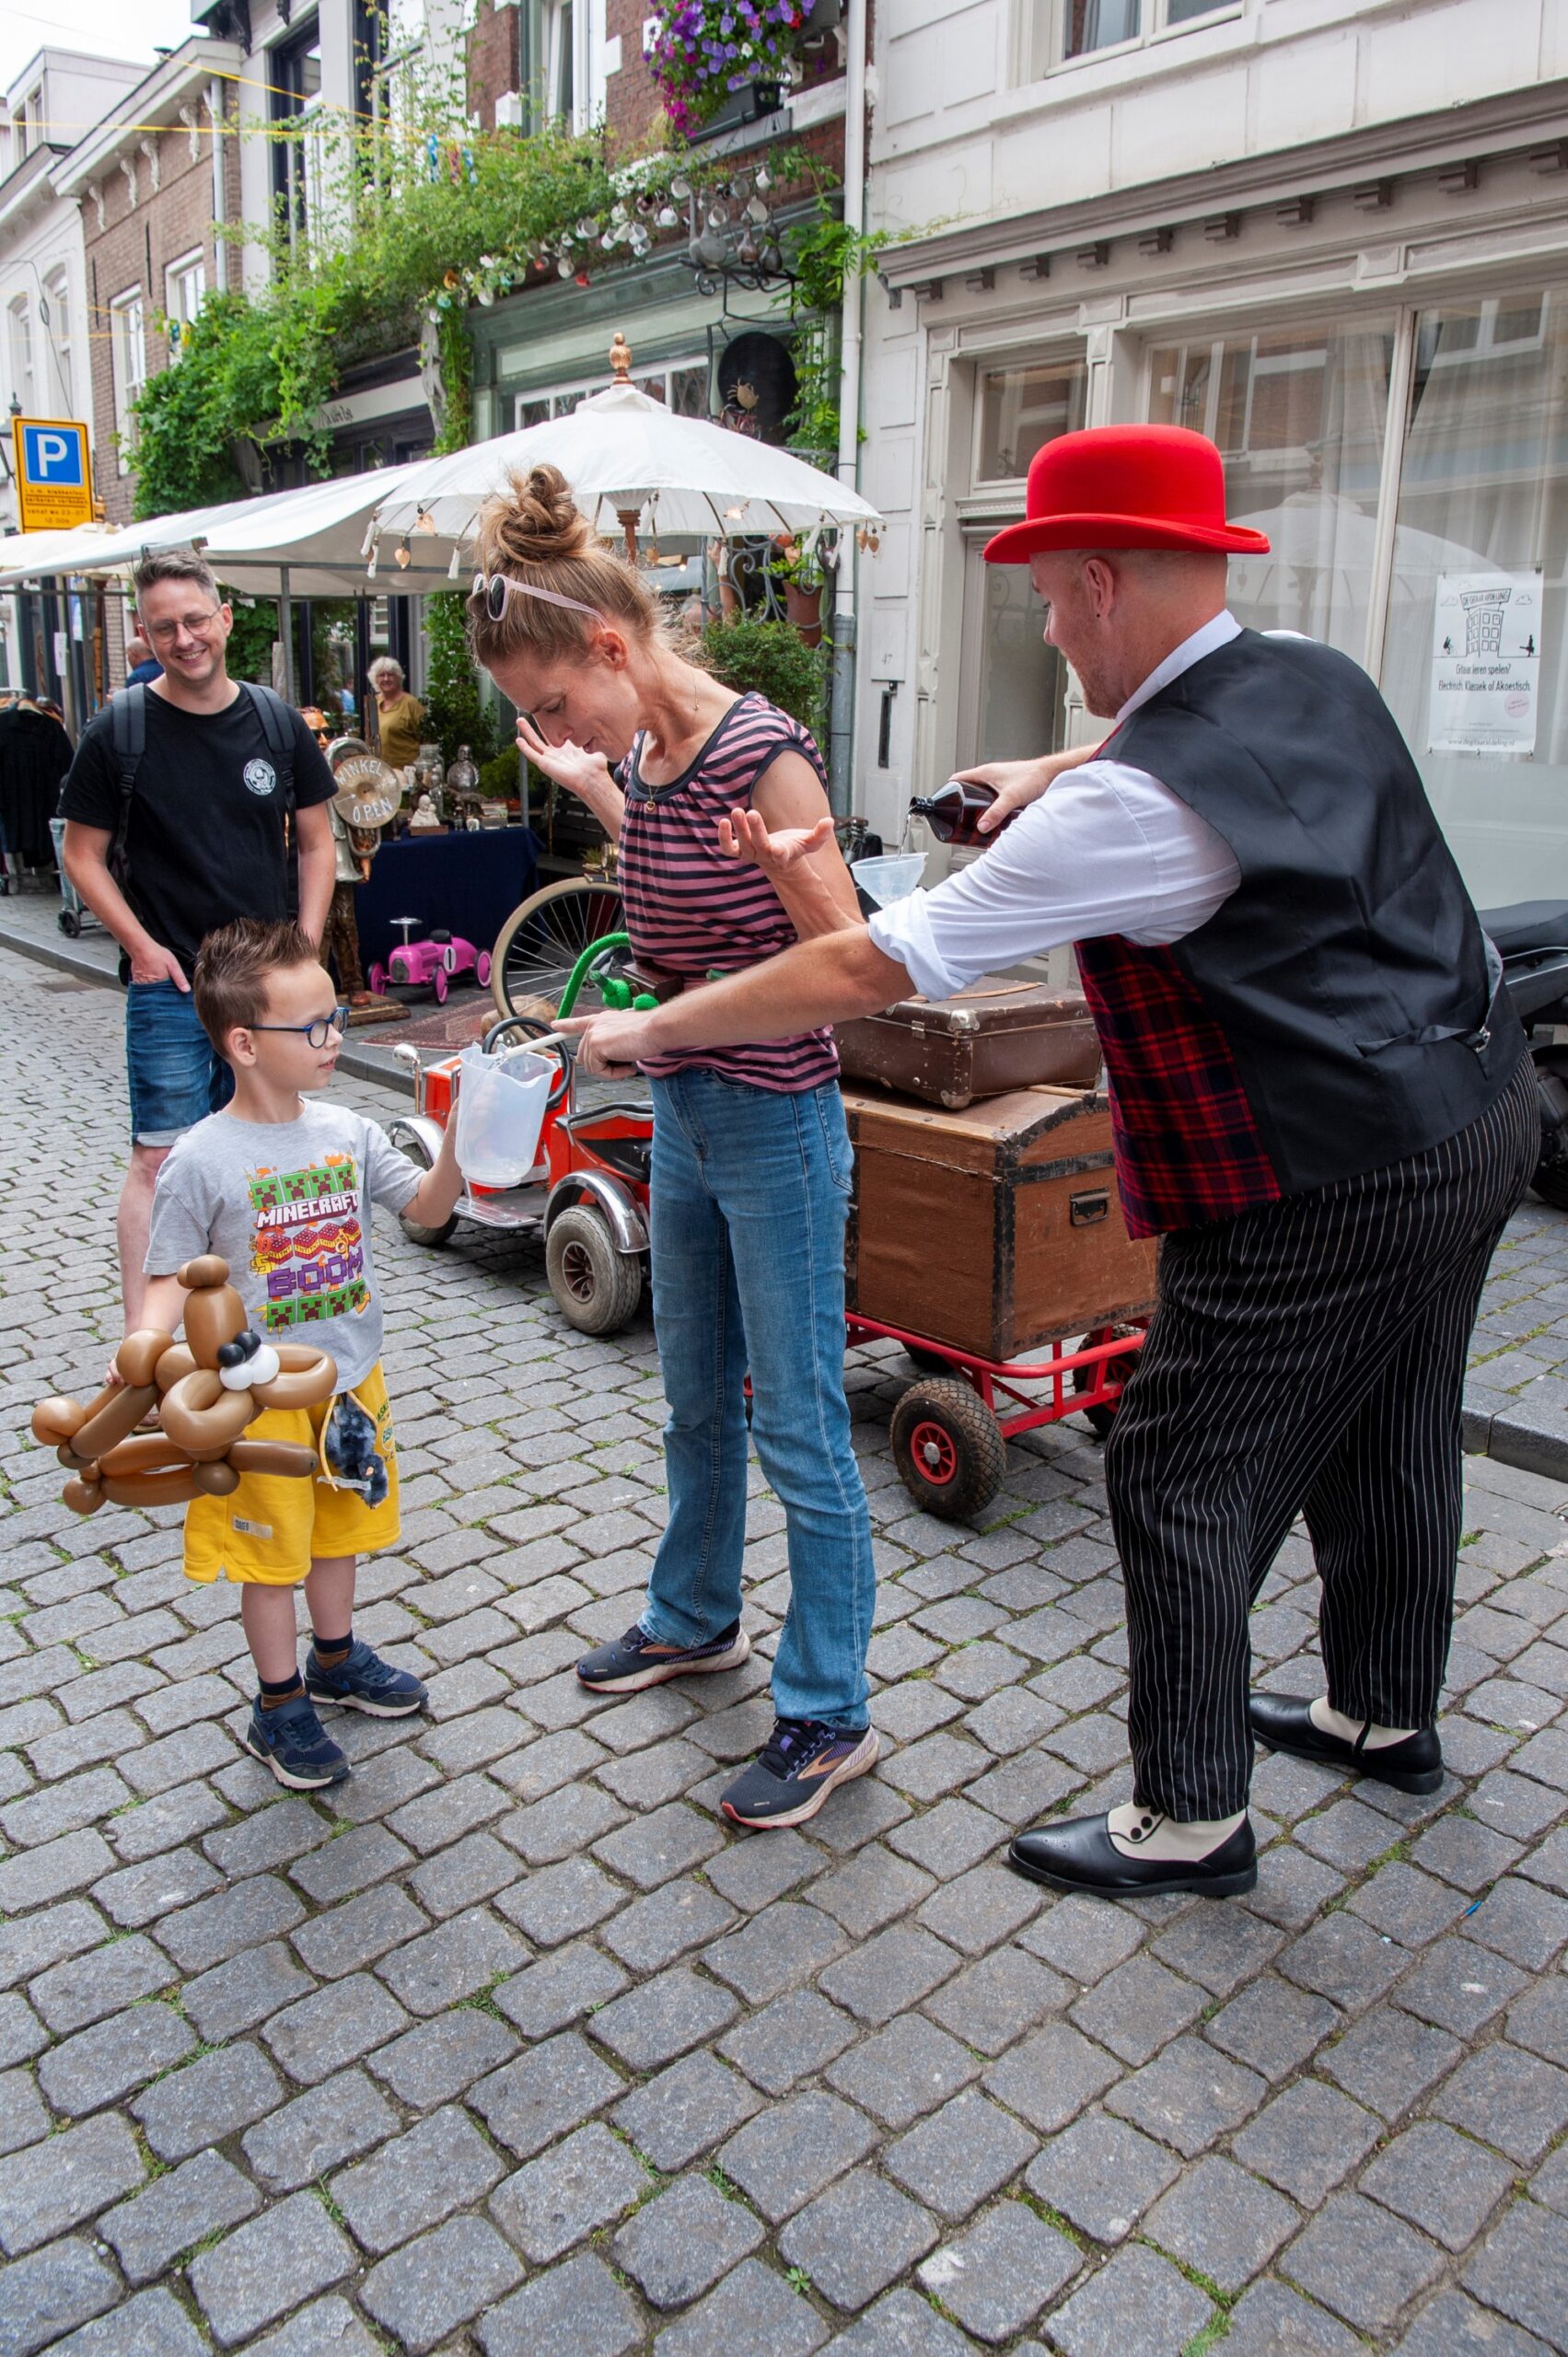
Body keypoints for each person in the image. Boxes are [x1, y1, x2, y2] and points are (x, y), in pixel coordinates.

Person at [563, 423, 1537, 1899]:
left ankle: (1187, 1815)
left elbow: (870, 967)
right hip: (1476, 1112)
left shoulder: (1125, 804)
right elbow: (1183, 749)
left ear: (1096, 582)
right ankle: (1378, 1712)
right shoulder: (1305, 674)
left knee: (1171, 1469)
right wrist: (1052, 761)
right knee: (1392, 1416)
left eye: (1040, 589)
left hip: (1320, 1169)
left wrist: (652, 1030)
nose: (1036, 616)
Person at [468, 463, 878, 1831]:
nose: (547, 726)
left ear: (607, 646)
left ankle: (827, 1712)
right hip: (691, 1125)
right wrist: (599, 787)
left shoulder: (761, 751)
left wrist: (657, 1024)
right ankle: (695, 1616)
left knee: (801, 1427)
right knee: (693, 1398)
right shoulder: (644, 752)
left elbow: (850, 957)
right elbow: (682, 874)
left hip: (773, 1126)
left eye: (549, 704)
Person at [137, 916, 466, 1788]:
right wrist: (143, 1339)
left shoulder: (347, 1131)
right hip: (257, 1401)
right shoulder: (201, 1159)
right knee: (268, 1553)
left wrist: (462, 1136)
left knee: (335, 1535)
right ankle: (277, 1703)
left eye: (336, 1021)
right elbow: (171, 1273)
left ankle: (335, 1659)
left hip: (352, 1383)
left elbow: (427, 1211)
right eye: (314, 1026)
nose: (334, 1039)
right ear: (244, 1042)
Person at [59, 550, 338, 1331]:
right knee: (160, 1159)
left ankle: (249, 1323)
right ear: (143, 636)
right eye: (162, 627)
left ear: (223, 619)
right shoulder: (120, 731)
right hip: (172, 990)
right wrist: (143, 949)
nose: (183, 639)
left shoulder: (275, 721)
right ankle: (146, 1350)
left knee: (264, 1151)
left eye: (193, 620)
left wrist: (306, 943)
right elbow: (81, 855)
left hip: (266, 993)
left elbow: (317, 843)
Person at [0, 691, 73, 877]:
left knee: (18, 829)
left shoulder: (4, 726)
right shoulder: (52, 726)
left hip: (13, 796)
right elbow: (68, 764)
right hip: (46, 796)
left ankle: (16, 876)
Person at [368, 656, 424, 771]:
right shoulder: (374, 703)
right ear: (375, 679)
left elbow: (427, 739)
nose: (386, 679)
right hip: (380, 772)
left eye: (390, 675)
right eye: (381, 675)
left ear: (398, 678)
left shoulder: (411, 703)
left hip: (406, 772)